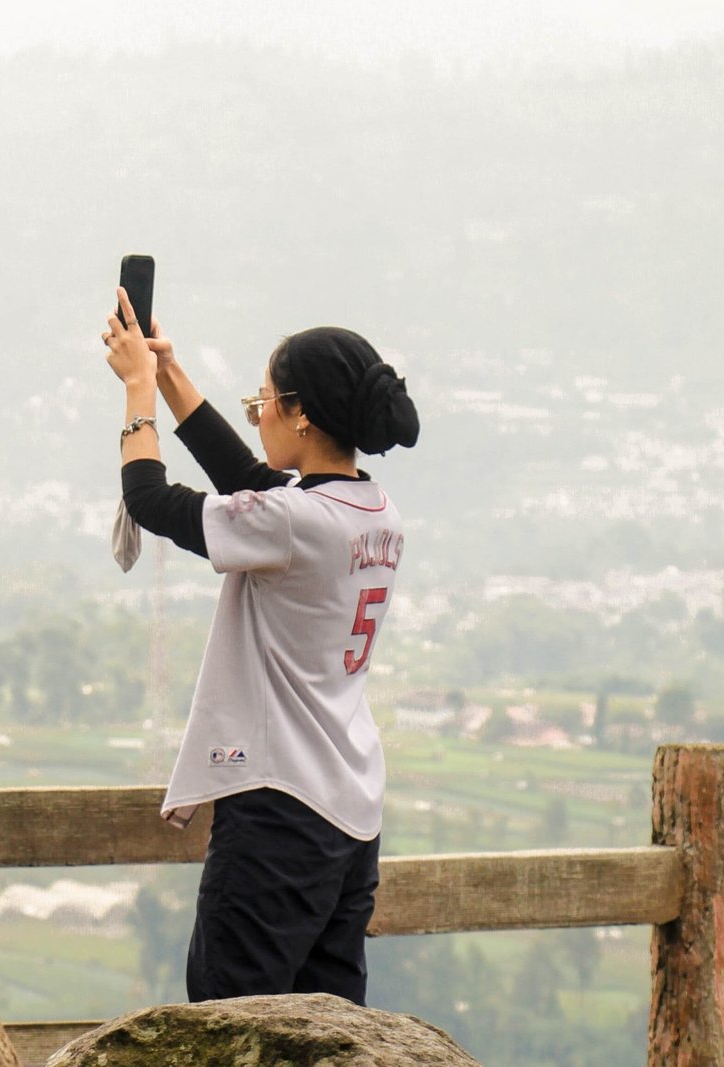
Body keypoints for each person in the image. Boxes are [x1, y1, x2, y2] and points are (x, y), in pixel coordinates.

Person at [99, 287, 419, 1005]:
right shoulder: (376, 515)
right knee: (325, 1031)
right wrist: (170, 373)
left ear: (300, 413)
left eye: (264, 401)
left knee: (230, 1021)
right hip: (349, 814)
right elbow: (254, 485)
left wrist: (138, 393)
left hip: (277, 813)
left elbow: (152, 500)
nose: (260, 414)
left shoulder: (296, 521)